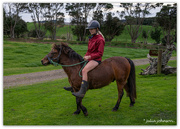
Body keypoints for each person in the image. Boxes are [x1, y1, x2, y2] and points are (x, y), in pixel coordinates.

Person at [72, 20, 105, 98]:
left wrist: (89, 57)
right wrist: (85, 56)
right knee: (79, 66)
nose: (90, 30)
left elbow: (100, 53)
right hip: (90, 59)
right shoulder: (91, 38)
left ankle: (82, 91)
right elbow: (89, 50)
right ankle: (77, 85)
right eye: (89, 29)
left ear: (97, 29)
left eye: (92, 29)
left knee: (84, 70)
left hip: (96, 60)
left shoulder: (100, 40)